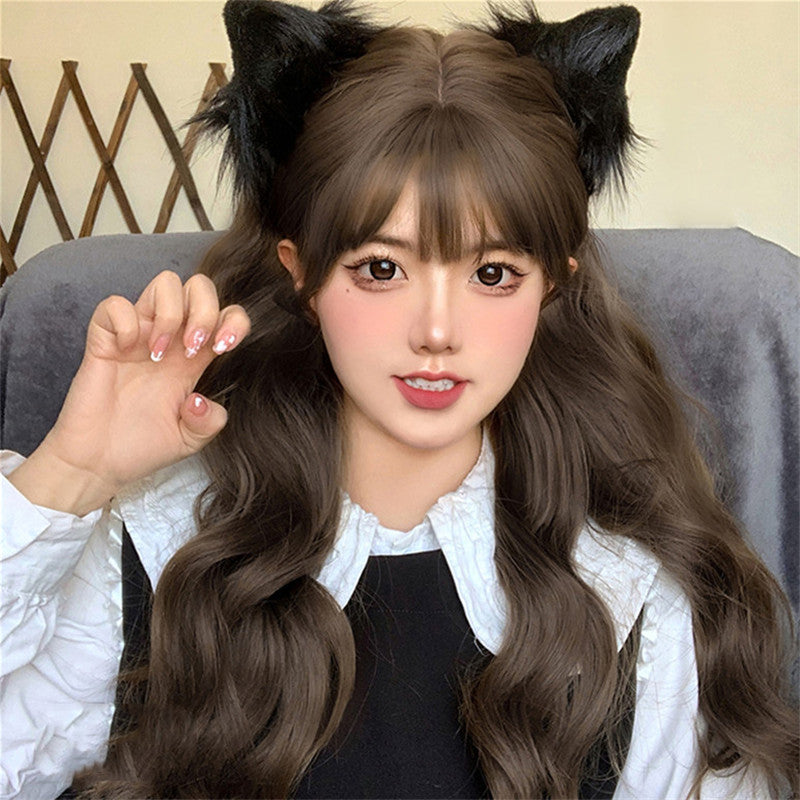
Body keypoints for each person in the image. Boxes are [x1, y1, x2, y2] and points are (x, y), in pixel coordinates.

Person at [1, 0, 797, 798]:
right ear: (302, 274)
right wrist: (71, 472)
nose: (437, 331)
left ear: (553, 285)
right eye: (381, 269)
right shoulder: (160, 540)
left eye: (493, 274)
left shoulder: (628, 589)